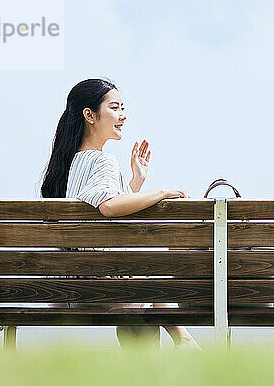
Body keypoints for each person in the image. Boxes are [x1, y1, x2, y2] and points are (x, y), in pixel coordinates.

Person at [40, 77, 200, 349]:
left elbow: (105, 206)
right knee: (153, 277)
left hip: (67, 284)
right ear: (89, 115)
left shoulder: (70, 164)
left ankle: (179, 342)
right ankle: (182, 340)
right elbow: (109, 206)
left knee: (145, 287)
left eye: (122, 108)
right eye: (115, 108)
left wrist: (136, 181)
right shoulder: (102, 161)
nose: (123, 115)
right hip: (99, 285)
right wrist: (161, 193)